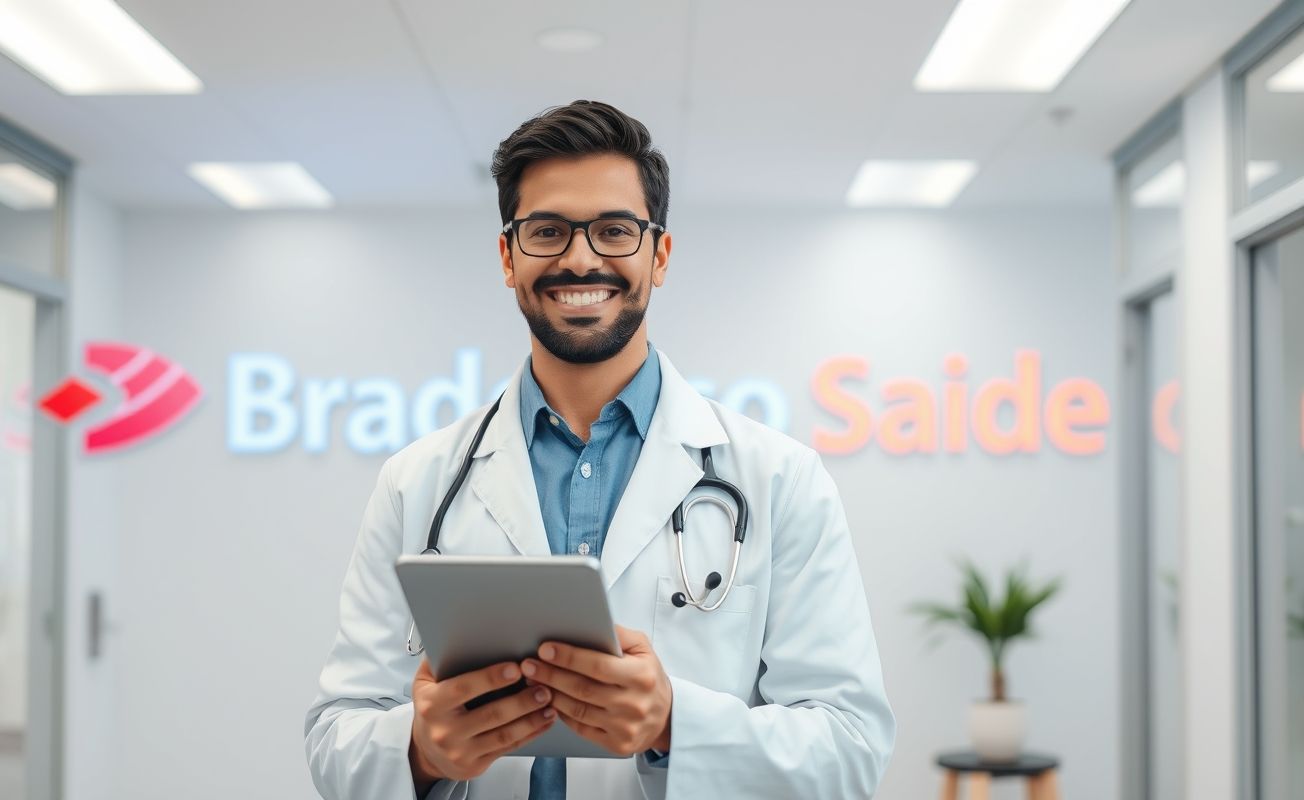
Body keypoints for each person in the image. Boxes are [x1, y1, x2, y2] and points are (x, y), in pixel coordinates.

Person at [304, 100, 895, 800]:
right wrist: (422, 750)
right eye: (547, 231)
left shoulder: (781, 479)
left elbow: (851, 752)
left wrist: (675, 723)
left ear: (659, 254)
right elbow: (337, 735)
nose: (580, 258)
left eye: (614, 230)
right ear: (507, 256)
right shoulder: (417, 481)